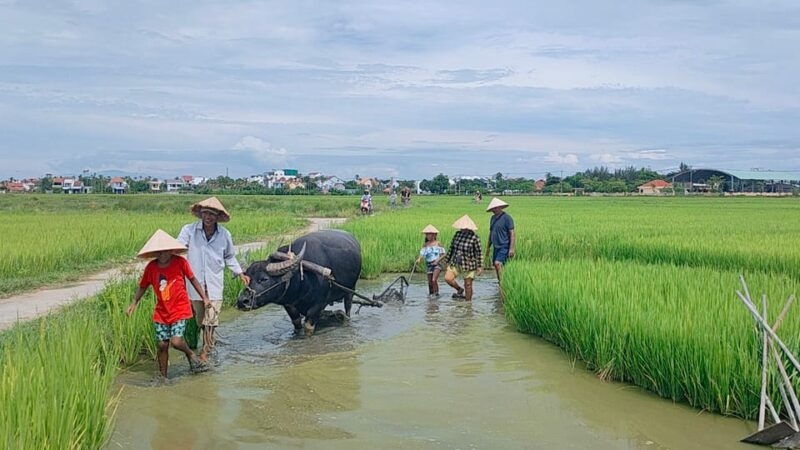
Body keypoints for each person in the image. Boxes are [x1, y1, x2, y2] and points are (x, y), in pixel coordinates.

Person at [126, 229, 210, 378]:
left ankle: (190, 354)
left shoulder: (180, 262)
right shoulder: (151, 267)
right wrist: (134, 303)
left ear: (171, 250)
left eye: (165, 252)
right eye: (159, 252)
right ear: (154, 253)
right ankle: (163, 377)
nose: (162, 255)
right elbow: (143, 286)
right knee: (162, 345)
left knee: (176, 341)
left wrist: (204, 298)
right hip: (162, 312)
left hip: (180, 309)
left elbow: (193, 279)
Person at [177, 197, 249, 363]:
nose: (208, 217)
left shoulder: (224, 235)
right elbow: (178, 248)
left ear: (217, 217)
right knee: (201, 320)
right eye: (205, 213)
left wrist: (240, 273)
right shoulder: (189, 231)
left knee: (210, 320)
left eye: (212, 214)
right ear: (201, 214)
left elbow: (230, 256)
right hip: (195, 284)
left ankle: (204, 353)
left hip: (214, 283)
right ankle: (210, 342)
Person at [444, 215, 483, 301]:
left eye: (464, 227)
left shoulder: (474, 238)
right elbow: (451, 248)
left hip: (468, 264)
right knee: (448, 278)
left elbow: (479, 253)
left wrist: (479, 267)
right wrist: (446, 260)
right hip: (456, 262)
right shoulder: (457, 235)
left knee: (468, 285)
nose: (462, 229)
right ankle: (459, 289)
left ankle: (468, 304)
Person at [485, 197, 515, 290]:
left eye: (495, 208)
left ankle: (503, 284)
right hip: (496, 246)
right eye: (493, 209)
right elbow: (491, 232)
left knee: (498, 263)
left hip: (504, 246)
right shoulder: (493, 218)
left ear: (500, 207)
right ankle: (500, 282)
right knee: (496, 265)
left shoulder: (507, 218)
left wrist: (511, 248)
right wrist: (488, 247)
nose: (494, 210)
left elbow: (512, 233)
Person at [415, 225, 446, 299]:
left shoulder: (438, 243)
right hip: (429, 264)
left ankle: (436, 294)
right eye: (427, 234)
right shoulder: (425, 245)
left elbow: (444, 254)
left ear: (434, 235)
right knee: (429, 282)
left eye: (430, 234)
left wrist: (437, 260)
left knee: (434, 280)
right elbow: (422, 254)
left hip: (437, 264)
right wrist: (419, 259)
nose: (428, 236)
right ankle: (431, 295)